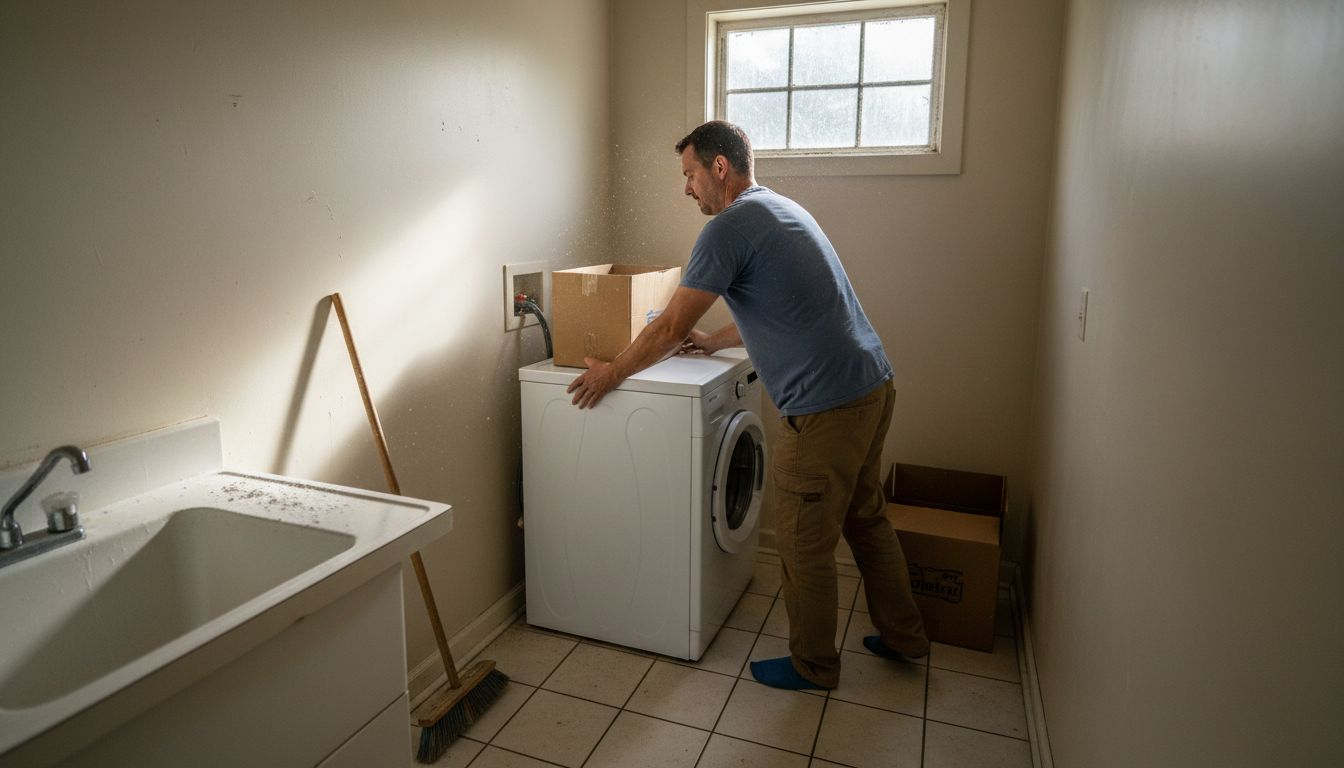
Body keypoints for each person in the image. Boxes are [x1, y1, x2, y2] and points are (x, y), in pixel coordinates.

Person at [566, 120, 928, 690]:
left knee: (805, 542)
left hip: (825, 407)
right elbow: (778, 304)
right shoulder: (779, 208)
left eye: (689, 174)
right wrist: (713, 342)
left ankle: (815, 666)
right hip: (871, 385)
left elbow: (666, 332)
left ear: (718, 168)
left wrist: (612, 373)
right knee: (866, 518)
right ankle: (906, 638)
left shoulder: (727, 229)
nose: (686, 189)